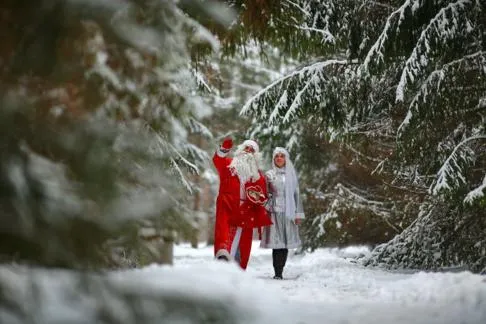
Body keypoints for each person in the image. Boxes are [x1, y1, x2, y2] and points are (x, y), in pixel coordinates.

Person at [212, 137, 272, 269]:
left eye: (252, 150)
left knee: (242, 245)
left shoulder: (257, 176)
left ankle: (236, 270)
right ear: (240, 150)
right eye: (246, 148)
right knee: (225, 237)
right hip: (227, 207)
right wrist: (223, 150)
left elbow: (262, 196)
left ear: (255, 155)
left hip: (246, 212)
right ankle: (222, 263)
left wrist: (260, 199)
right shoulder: (228, 165)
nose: (248, 151)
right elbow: (218, 160)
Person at [260, 147, 305, 279]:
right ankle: (277, 273)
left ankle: (281, 269)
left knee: (285, 244)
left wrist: (298, 214)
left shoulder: (291, 175)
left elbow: (297, 195)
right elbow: (264, 194)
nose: (279, 158)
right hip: (274, 213)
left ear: (286, 158)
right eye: (277, 156)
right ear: (274, 159)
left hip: (289, 213)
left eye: (282, 156)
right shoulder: (269, 175)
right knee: (277, 243)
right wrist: (267, 206)